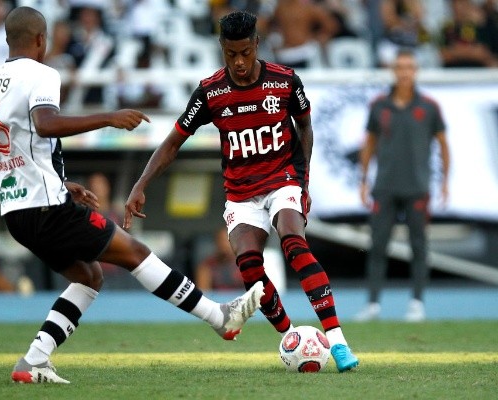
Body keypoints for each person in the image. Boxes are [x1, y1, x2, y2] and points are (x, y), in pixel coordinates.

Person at [0, 6, 264, 384]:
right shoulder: (41, 73)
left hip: (16, 210)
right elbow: (45, 126)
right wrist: (108, 117)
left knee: (88, 275)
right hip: (46, 208)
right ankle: (219, 318)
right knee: (135, 253)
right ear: (42, 40)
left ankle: (34, 362)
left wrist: (61, 184)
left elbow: (10, 148)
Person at [125, 10, 359, 372]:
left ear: (256, 45)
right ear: (222, 48)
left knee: (293, 243)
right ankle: (291, 337)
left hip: (282, 178)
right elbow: (172, 143)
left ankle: (339, 342)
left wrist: (303, 180)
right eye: (230, 54)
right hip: (240, 191)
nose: (239, 62)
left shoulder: (284, 82)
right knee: (249, 267)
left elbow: (305, 126)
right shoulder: (210, 91)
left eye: (245, 53)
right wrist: (140, 185)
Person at [356, 49, 450, 322]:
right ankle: (373, 304)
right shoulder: (379, 105)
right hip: (384, 185)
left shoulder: (429, 106)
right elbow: (369, 143)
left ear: (415, 70)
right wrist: (363, 180)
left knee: (419, 246)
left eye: (409, 67)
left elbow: (443, 145)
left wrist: (444, 181)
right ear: (394, 71)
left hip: (417, 186)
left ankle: (417, 303)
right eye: (400, 67)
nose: (404, 72)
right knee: (377, 246)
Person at [194, 226, 244, 291]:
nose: (224, 245)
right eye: (221, 240)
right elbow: (204, 295)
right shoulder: (206, 267)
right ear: (216, 243)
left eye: (228, 240)